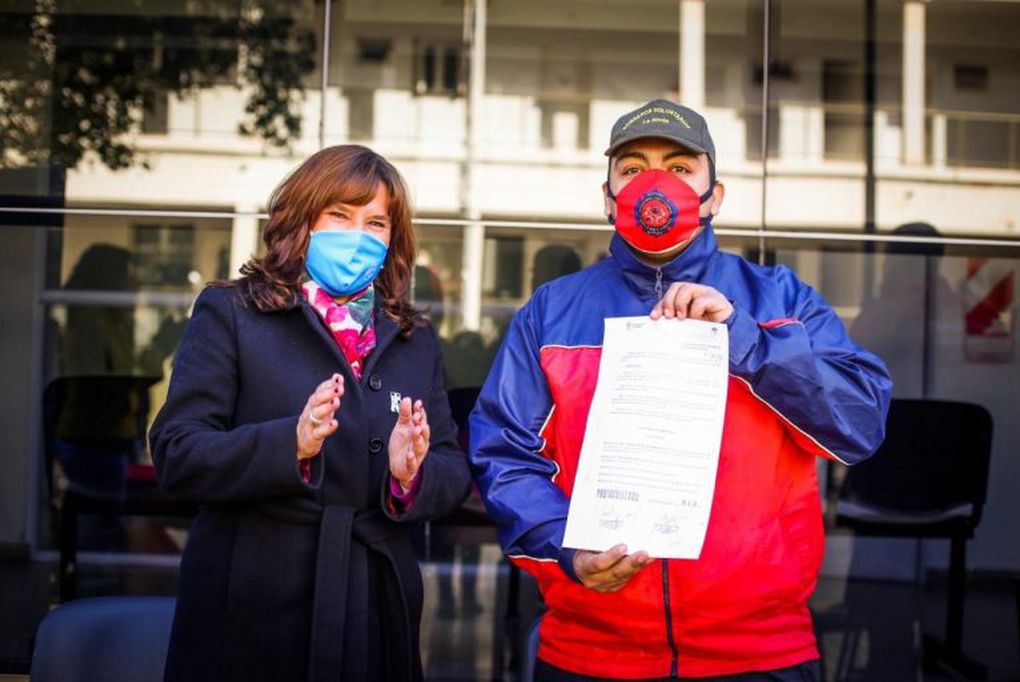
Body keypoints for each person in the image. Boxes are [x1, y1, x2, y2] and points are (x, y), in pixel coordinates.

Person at [469, 99, 892, 681]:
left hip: (761, 651)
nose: (655, 183)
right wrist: (566, 548)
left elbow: (859, 424)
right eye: (633, 166)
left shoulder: (781, 301)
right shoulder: (552, 312)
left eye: (680, 167)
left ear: (715, 195)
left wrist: (746, 341)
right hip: (590, 651)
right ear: (609, 196)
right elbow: (504, 453)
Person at [150, 145, 472, 681]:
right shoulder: (231, 313)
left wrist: (410, 475)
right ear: (303, 219)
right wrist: (290, 444)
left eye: (376, 222)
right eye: (339, 215)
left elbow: (452, 469)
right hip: (252, 600)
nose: (358, 235)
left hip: (374, 599)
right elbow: (177, 453)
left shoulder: (413, 337)